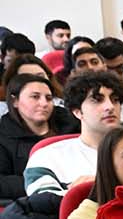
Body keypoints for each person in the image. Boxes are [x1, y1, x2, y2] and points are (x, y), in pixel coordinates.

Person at [28, 70, 123, 197]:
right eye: (97, 100)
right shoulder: (46, 157)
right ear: (77, 111)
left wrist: (92, 187)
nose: (110, 107)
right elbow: (43, 203)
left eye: (115, 100)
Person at [0, 71, 78, 201]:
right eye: (35, 97)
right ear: (15, 101)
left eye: (49, 98)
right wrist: (48, 183)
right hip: (34, 202)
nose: (44, 103)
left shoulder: (73, 124)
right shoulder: (3, 135)